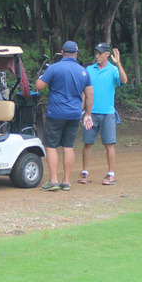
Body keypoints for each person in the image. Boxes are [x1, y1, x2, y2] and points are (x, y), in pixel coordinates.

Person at [35, 40, 93, 192]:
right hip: (74, 114)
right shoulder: (83, 71)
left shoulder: (54, 68)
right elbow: (89, 94)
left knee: (51, 146)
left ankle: (53, 180)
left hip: (56, 113)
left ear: (61, 52)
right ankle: (66, 181)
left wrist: (42, 75)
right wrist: (87, 113)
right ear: (76, 53)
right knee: (68, 146)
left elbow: (39, 86)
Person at [81, 43, 128, 185]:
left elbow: (124, 81)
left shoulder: (113, 70)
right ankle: (84, 173)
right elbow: (84, 91)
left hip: (107, 113)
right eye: (96, 53)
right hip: (91, 113)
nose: (97, 56)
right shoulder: (89, 69)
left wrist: (118, 63)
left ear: (107, 54)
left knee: (109, 143)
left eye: (100, 53)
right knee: (87, 143)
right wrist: (82, 111)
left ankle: (111, 174)